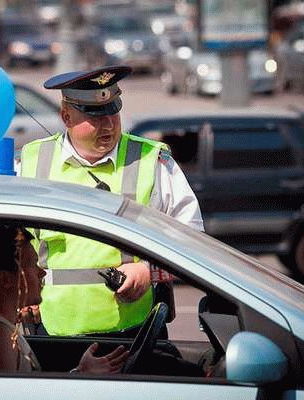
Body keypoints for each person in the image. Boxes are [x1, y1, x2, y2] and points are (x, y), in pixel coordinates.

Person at [16, 65, 204, 337]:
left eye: (113, 112)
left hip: (134, 335)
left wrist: (149, 272)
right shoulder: (31, 162)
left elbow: (194, 241)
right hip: (53, 335)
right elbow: (10, 240)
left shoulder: (152, 161)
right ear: (66, 116)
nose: (108, 124)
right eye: (94, 116)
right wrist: (22, 288)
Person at [0, 226, 128, 373]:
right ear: (6, 280)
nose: (42, 272)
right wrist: (81, 375)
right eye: (32, 264)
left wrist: (80, 372)